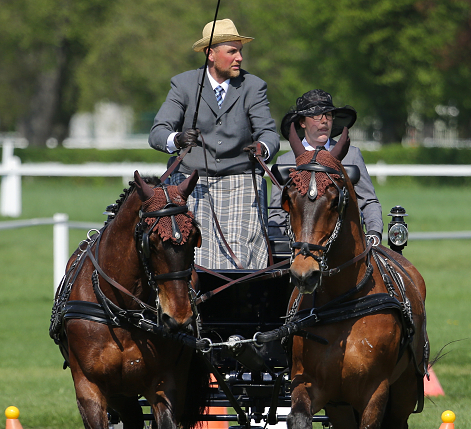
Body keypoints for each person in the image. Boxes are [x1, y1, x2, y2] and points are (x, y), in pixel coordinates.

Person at [149, 19, 280, 270]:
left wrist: (262, 147)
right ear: (211, 54)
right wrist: (177, 139)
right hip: (190, 181)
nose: (239, 58)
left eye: (240, 51)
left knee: (240, 255)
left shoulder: (254, 87)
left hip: (242, 181)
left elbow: (269, 134)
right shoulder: (183, 84)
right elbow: (157, 133)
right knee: (197, 252)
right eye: (232, 51)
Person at [268, 90, 383, 246]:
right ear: (302, 122)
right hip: (300, 248)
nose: (324, 121)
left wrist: (374, 234)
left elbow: (368, 201)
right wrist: (279, 246)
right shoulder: (286, 161)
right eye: (316, 115)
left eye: (328, 115)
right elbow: (277, 212)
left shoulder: (352, 155)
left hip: (345, 250)